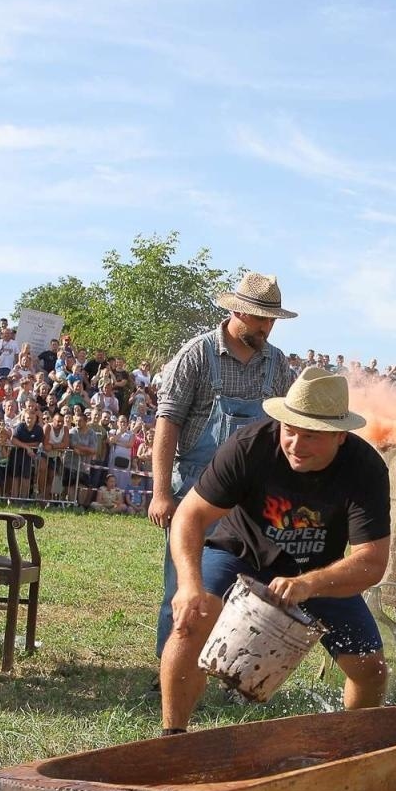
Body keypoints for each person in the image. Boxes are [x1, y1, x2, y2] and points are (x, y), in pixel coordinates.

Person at [160, 367, 390, 732]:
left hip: (316, 572)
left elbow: (372, 561)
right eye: (291, 431)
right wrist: (188, 585)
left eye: (311, 436)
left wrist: (309, 584)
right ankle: (171, 737)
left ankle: (350, 744)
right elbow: (190, 515)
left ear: (340, 436)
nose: (296, 445)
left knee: (371, 670)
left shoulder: (366, 470)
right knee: (191, 620)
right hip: (240, 554)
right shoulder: (250, 446)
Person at [148, 272, 298, 660]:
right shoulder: (197, 354)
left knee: (250, 592)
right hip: (197, 494)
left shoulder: (277, 364)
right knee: (184, 587)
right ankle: (171, 672)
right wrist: (161, 492)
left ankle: (233, 673)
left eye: (271, 320)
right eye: (259, 318)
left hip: (255, 501)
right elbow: (167, 422)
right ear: (236, 311)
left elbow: (293, 422)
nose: (267, 327)